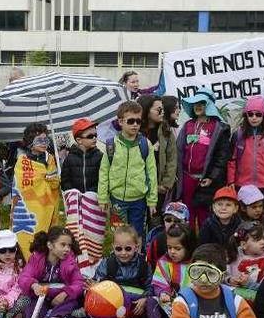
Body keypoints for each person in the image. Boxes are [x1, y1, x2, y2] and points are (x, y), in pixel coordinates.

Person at [92, 225, 164, 318]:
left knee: (152, 301)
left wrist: (144, 299)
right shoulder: (108, 263)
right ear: (113, 247)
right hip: (113, 305)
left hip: (136, 306)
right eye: (118, 249)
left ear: (136, 247)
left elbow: (150, 286)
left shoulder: (144, 265)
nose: (123, 253)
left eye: (128, 249)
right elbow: (97, 283)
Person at [98, 101, 158, 238]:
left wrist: (152, 200)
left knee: (137, 234)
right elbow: (104, 172)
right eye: (131, 121)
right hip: (117, 200)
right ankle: (120, 256)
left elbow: (151, 173)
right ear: (120, 122)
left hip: (139, 200)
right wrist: (102, 197)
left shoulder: (145, 144)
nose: (135, 125)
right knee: (119, 234)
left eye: (138, 121)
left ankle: (138, 257)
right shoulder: (111, 145)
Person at [175, 89, 231, 231]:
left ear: (210, 105)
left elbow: (222, 156)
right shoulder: (188, 125)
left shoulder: (218, 127)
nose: (198, 106)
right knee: (187, 213)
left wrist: (211, 177)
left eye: (202, 103)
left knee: (205, 215)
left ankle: (205, 246)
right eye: (195, 103)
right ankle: (189, 244)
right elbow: (179, 150)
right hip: (188, 178)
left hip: (206, 181)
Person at [16, 227, 85, 318]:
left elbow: (79, 282)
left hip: (61, 299)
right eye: (63, 245)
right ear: (50, 245)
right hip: (41, 297)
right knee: (33, 310)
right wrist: (34, 285)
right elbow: (24, 277)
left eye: (69, 246)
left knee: (71, 303)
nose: (67, 249)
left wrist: (65, 293)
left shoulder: (70, 262)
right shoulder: (36, 258)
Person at [60, 118, 105, 269]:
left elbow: (103, 179)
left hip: (94, 205)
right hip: (76, 205)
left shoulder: (99, 157)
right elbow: (65, 181)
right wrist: (72, 193)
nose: (94, 139)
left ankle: (95, 262)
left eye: (95, 135)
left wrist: (94, 195)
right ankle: (80, 263)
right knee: (78, 234)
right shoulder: (70, 159)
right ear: (79, 140)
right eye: (90, 136)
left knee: (94, 236)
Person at [227, 95, 264, 212]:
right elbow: (231, 160)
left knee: (260, 211)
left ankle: (262, 230)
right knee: (243, 211)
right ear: (246, 115)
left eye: (258, 114)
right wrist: (231, 181)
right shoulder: (238, 135)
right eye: (250, 114)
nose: (254, 118)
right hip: (242, 183)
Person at [11, 123, 60, 255]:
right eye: (40, 140)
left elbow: (55, 183)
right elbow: (18, 185)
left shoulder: (50, 159)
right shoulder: (22, 161)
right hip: (27, 209)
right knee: (27, 238)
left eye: (46, 140)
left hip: (46, 204)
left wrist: (52, 177)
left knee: (46, 236)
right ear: (30, 142)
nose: (44, 143)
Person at [138, 95, 177, 213]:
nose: (162, 112)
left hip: (159, 187)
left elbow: (172, 159)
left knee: (156, 218)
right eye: (158, 109)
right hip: (138, 187)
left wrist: (165, 184)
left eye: (163, 109)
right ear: (146, 110)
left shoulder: (166, 131)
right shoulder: (135, 131)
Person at [150, 222, 195, 318]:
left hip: (191, 304)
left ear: (188, 247)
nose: (172, 251)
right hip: (170, 303)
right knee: (151, 301)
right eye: (169, 247)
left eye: (177, 248)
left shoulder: (195, 264)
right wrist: (163, 293)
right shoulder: (164, 261)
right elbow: (159, 282)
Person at [225, 221, 264, 300]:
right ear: (243, 245)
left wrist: (248, 284)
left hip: (257, 298)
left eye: (263, 238)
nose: (263, 242)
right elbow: (223, 276)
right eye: (257, 239)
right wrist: (230, 280)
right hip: (234, 297)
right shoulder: (234, 255)